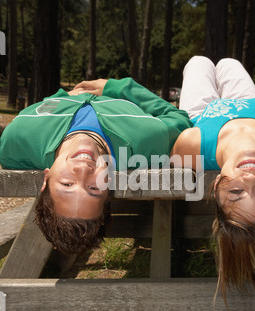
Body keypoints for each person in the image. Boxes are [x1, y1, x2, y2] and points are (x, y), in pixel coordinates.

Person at [0, 77, 192, 255]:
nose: (83, 170)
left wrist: (62, 98)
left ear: (46, 179)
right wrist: (118, 88)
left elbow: (36, 111)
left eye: (67, 184)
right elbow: (181, 120)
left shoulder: (16, 140)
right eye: (93, 187)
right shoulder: (147, 139)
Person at [171, 56, 255, 298]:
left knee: (198, 62)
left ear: (217, 184)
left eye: (236, 192)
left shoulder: (192, 146)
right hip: (253, 104)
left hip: (204, 115)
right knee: (229, 63)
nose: (250, 180)